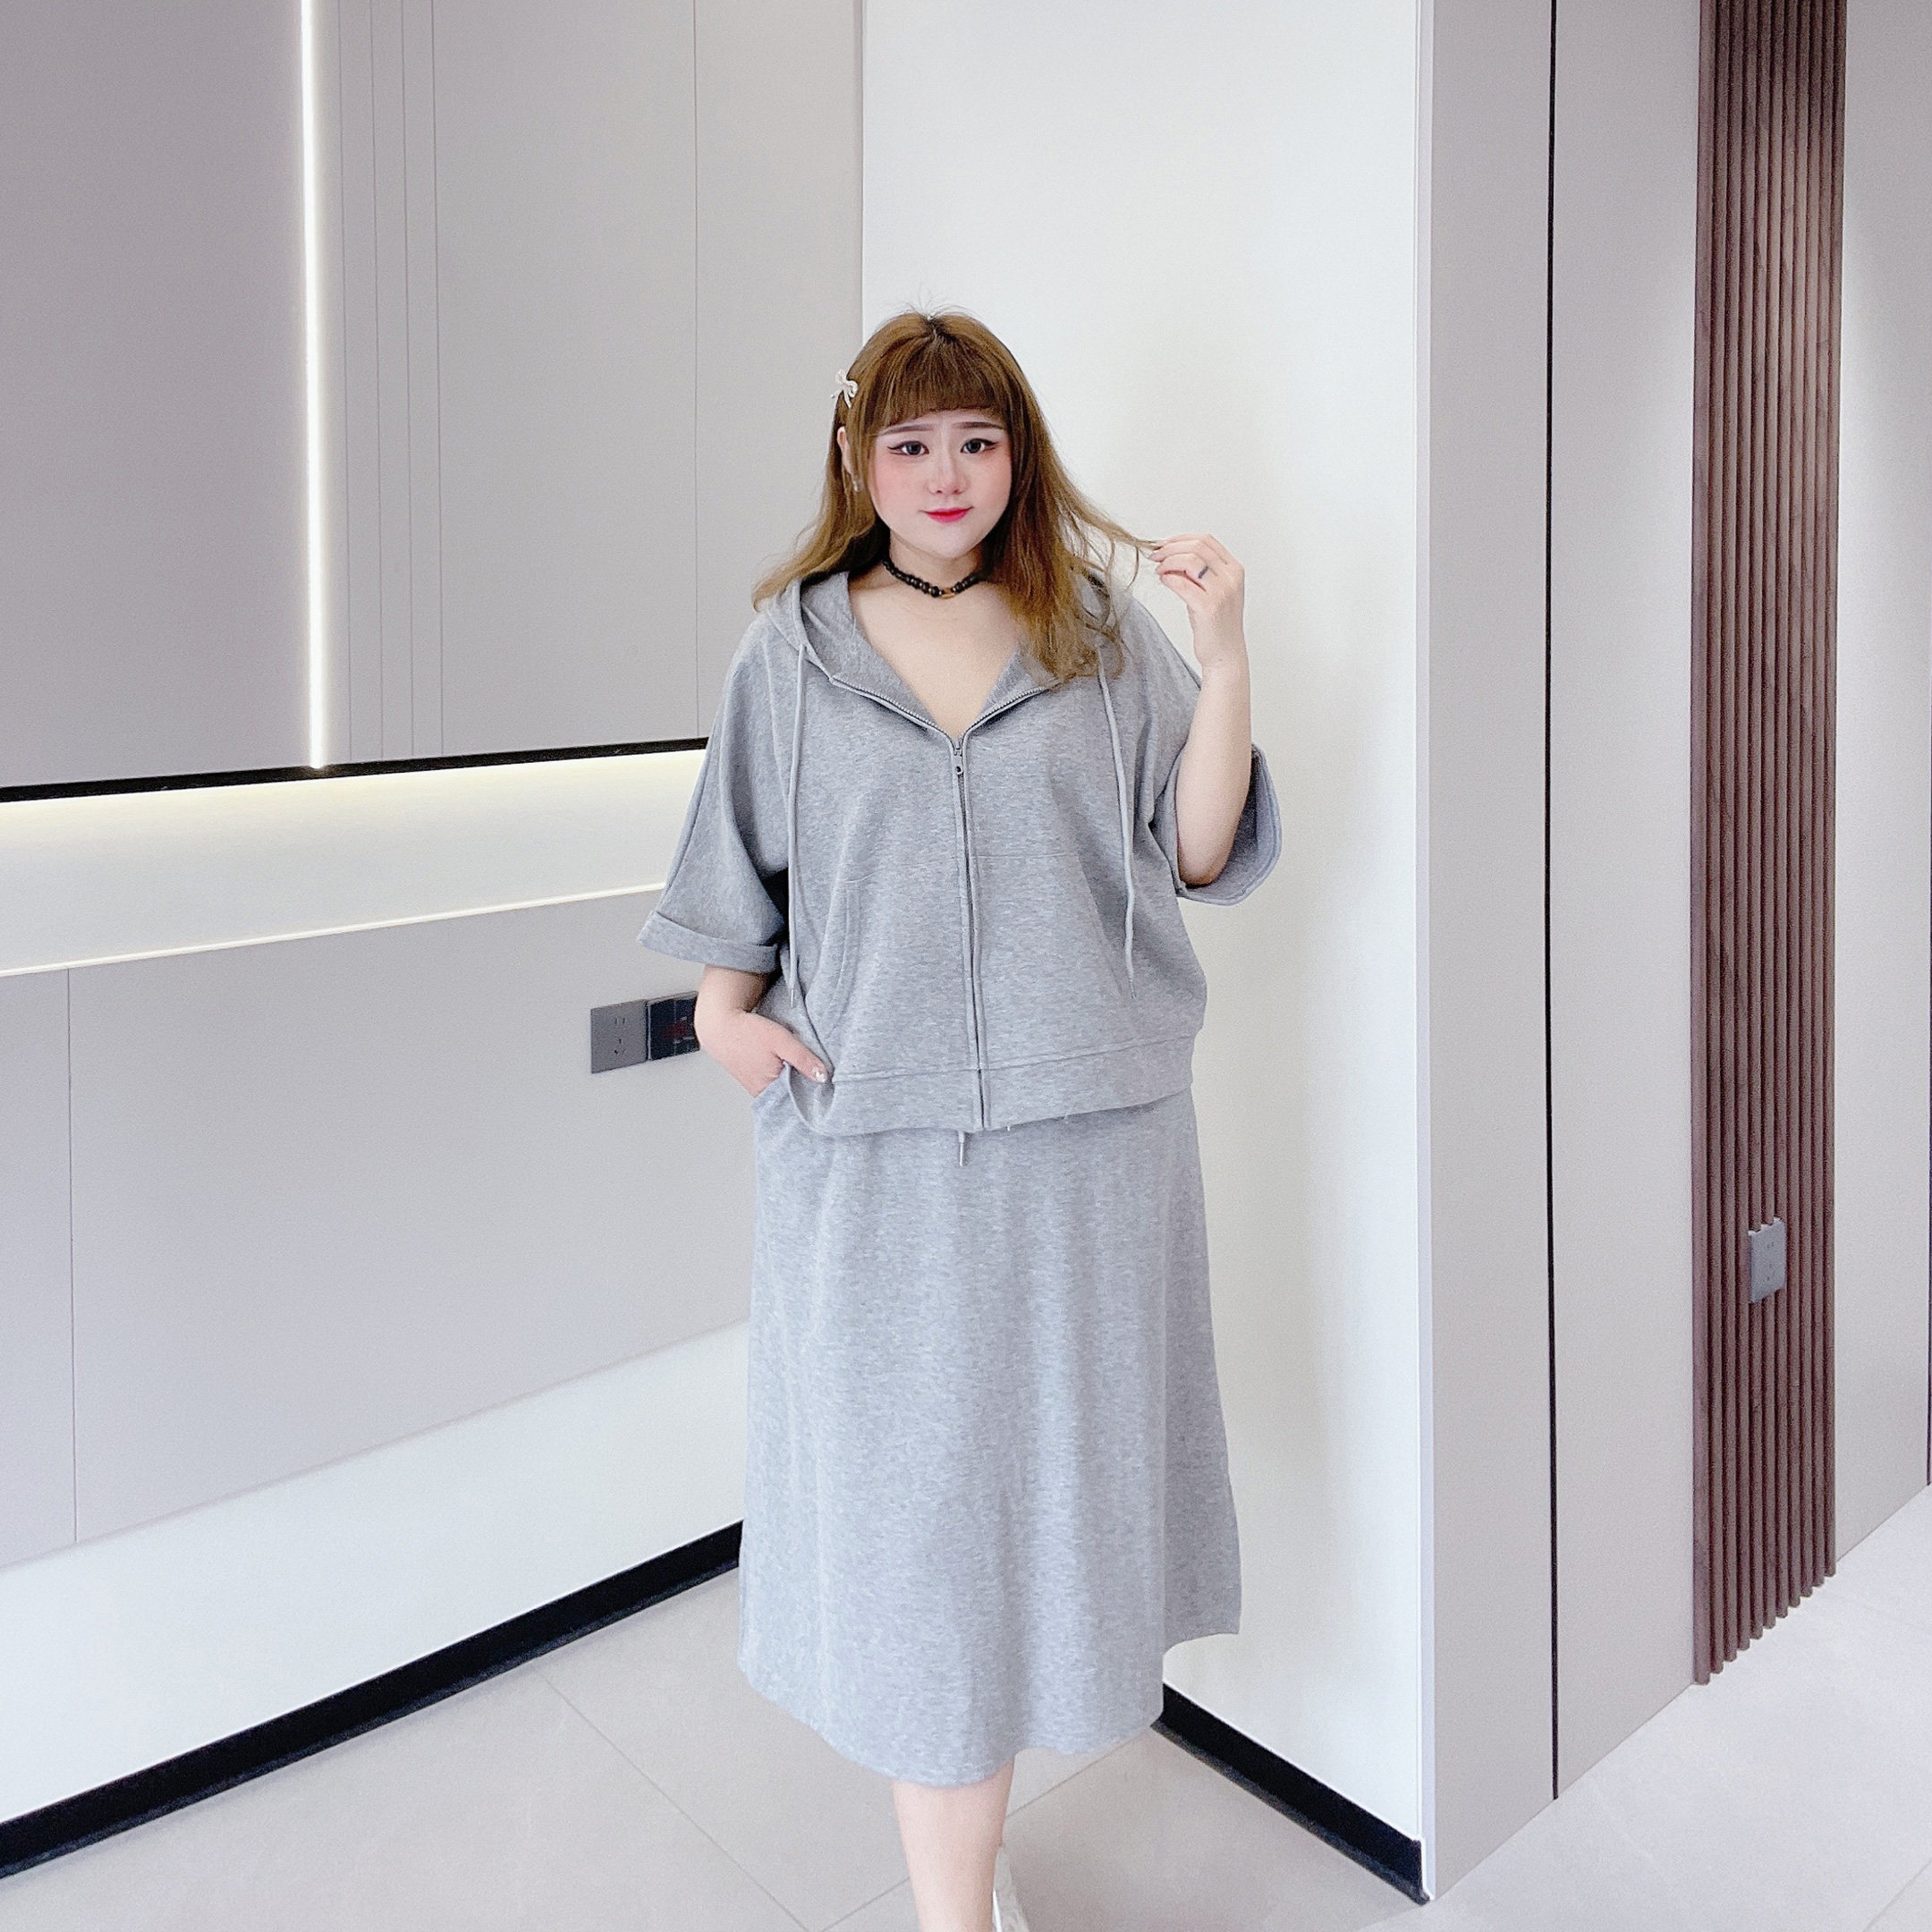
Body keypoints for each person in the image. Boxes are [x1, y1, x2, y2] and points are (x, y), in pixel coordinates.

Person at [638, 308, 1280, 1932]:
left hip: (1091, 1153)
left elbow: (1198, 851)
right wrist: (721, 1016)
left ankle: (971, 1877)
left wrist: (1225, 659)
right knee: (920, 1548)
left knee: (1057, 1516)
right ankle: (954, 1913)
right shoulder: (791, 651)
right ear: (858, 458)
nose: (946, 473)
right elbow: (735, 870)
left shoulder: (1094, 631)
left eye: (977, 441)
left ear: (1019, 455)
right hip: (878, 1157)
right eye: (912, 442)